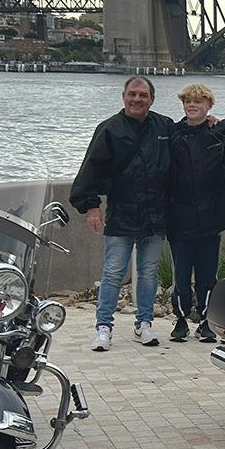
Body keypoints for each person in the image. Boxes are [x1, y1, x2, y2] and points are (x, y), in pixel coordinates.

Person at [71, 75, 174, 350]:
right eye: (132, 94)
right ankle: (103, 327)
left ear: (151, 100)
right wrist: (92, 207)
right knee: (113, 273)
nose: (137, 99)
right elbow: (91, 169)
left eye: (143, 95)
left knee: (149, 273)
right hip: (121, 214)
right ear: (124, 97)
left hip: (155, 215)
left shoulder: (164, 126)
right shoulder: (109, 129)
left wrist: (212, 122)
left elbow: (191, 140)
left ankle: (145, 323)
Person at [165, 84, 225, 343]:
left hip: (210, 218)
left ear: (209, 105)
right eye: (188, 102)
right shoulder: (172, 134)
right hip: (179, 219)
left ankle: (206, 321)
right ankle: (181, 319)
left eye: (198, 101)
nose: (192, 106)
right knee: (181, 275)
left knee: (207, 275)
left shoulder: (221, 132)